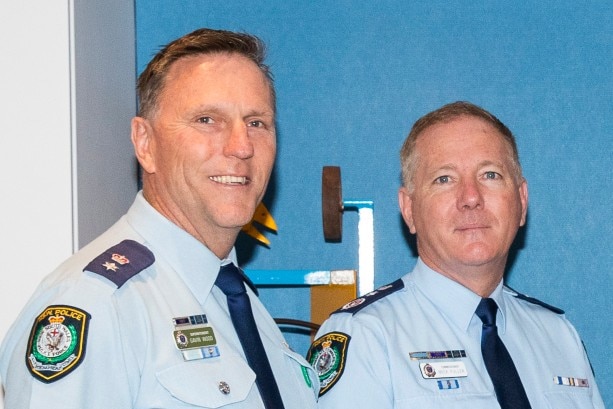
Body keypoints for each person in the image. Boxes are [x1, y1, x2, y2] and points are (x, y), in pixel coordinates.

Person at [0, 28, 318, 408]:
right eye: (206, 119)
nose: (241, 147)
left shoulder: (235, 299)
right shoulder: (98, 305)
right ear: (145, 143)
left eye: (256, 123)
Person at [307, 101, 604, 408]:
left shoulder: (559, 336)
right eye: (444, 179)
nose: (471, 198)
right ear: (409, 209)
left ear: (521, 201)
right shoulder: (367, 336)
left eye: (490, 175)